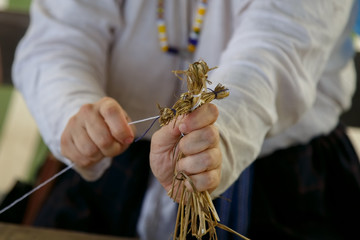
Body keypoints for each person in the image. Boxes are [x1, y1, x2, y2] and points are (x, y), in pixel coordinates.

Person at [12, 0, 360, 239]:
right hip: (114, 165)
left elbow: (274, 55)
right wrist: (73, 110)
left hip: (279, 181)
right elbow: (61, 38)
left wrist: (217, 135)